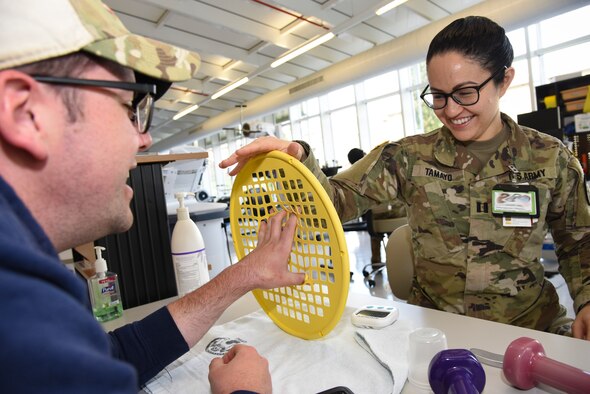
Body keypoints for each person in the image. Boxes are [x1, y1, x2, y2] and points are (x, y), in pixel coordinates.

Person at [220, 16, 590, 340]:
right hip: (435, 331)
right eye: (439, 96)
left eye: (465, 93)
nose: (451, 110)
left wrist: (587, 299)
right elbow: (334, 202)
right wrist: (297, 157)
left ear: (504, 80)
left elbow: (578, 242)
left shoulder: (551, 159)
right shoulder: (409, 156)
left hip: (528, 330)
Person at [0, 1, 303, 393]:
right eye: (130, 108)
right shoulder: (16, 309)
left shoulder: (29, 284)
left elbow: (110, 356)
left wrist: (246, 273)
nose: (145, 139)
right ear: (27, 114)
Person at [347, 148, 406, 266]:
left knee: (373, 224)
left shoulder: (353, 177)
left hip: (377, 222)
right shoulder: (384, 168)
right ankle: (397, 261)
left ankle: (376, 261)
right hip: (398, 218)